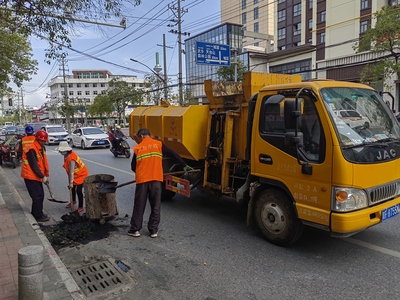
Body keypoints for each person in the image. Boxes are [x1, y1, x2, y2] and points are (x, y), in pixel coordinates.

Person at [128, 128, 193, 238]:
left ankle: (135, 230)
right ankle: (153, 230)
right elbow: (173, 154)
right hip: (156, 180)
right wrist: (184, 165)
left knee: (139, 205)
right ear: (149, 135)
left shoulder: (138, 148)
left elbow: (133, 167)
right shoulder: (159, 144)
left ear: (141, 136)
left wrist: (141, 171)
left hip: (143, 180)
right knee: (155, 205)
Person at [20, 130, 50, 222]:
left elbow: (42, 162)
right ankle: (38, 216)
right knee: (37, 196)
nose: (44, 142)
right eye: (42, 141)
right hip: (30, 176)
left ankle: (36, 212)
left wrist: (44, 175)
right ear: (37, 139)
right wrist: (42, 176)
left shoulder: (40, 147)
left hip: (36, 176)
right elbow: (34, 165)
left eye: (45, 141)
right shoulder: (32, 149)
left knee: (40, 195)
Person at [55, 141, 89, 213]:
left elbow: (71, 172)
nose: (61, 152)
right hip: (75, 174)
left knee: (78, 190)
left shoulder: (72, 159)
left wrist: (71, 182)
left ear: (66, 150)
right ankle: (73, 201)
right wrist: (70, 183)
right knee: (72, 188)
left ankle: (80, 206)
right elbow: (69, 171)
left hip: (81, 174)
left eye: (62, 151)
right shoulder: (66, 156)